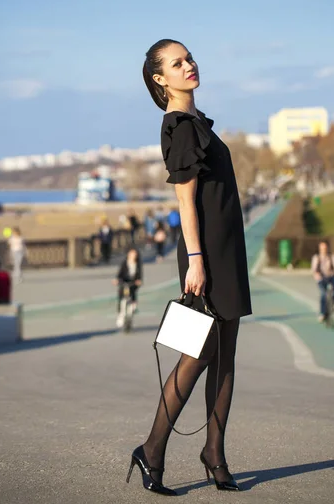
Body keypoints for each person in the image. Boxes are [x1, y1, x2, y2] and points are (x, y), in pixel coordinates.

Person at [126, 39, 252, 497]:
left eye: (189, 57)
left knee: (225, 359)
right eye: (177, 63)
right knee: (198, 355)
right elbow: (184, 198)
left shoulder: (197, 122)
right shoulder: (180, 126)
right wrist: (195, 260)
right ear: (161, 80)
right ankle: (152, 449)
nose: (189, 65)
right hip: (207, 255)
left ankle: (214, 453)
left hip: (227, 249)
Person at [311, 240, 334, 322]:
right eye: (322, 248)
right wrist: (316, 274)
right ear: (319, 249)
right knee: (323, 294)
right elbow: (314, 269)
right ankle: (322, 313)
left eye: (325, 248)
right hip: (321, 278)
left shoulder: (331, 256)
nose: (323, 250)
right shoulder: (316, 257)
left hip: (330, 276)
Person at [114, 247, 143, 327]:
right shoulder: (124, 263)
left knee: (133, 294)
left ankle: (133, 305)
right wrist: (117, 280)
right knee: (122, 298)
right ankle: (121, 315)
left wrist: (139, 280)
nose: (133, 256)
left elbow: (140, 274)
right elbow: (120, 274)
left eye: (134, 254)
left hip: (132, 283)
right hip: (124, 282)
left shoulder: (138, 264)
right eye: (131, 254)